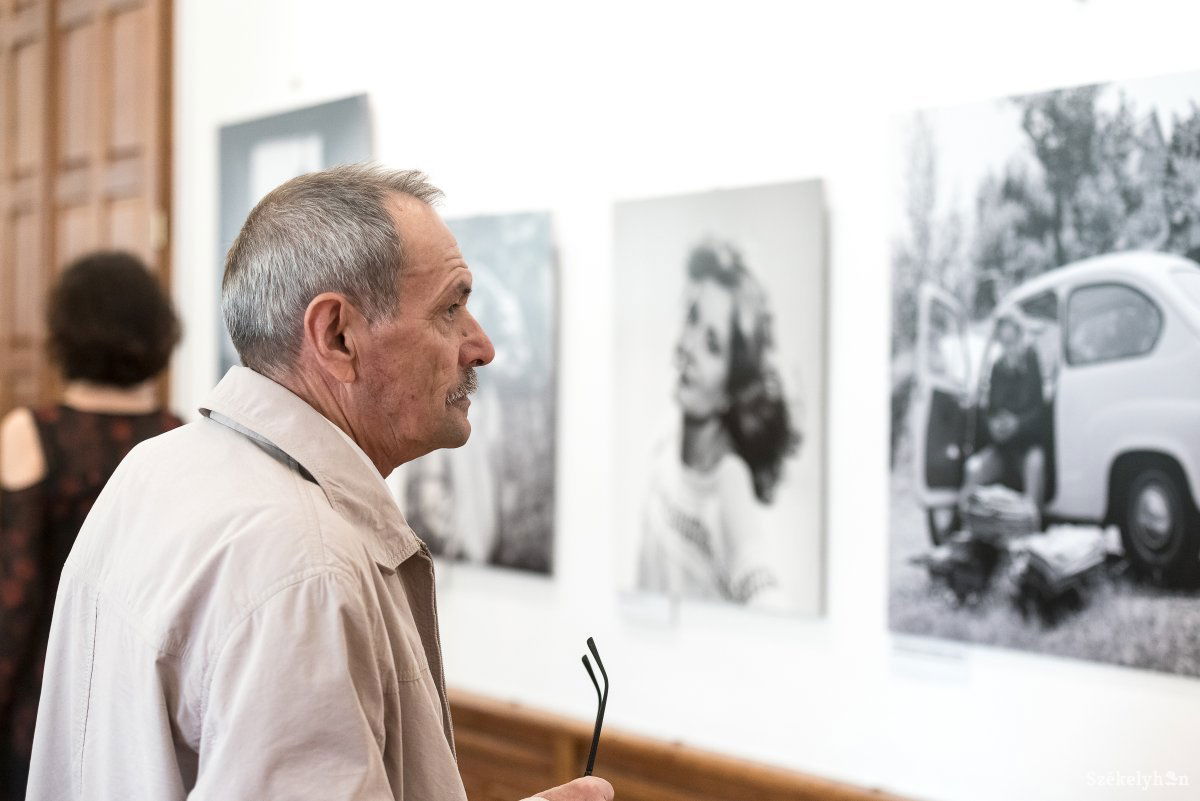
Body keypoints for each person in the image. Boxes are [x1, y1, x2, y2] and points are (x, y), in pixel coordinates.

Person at [25, 165, 613, 801]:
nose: (482, 346)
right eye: (451, 308)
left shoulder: (156, 467)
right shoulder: (303, 561)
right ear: (338, 336)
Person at [0, 251, 182, 801]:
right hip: (144, 704)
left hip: (43, 701)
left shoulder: (31, 431)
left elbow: (16, 596)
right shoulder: (179, 437)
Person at [637, 241, 800, 605]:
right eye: (693, 318)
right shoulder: (665, 433)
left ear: (732, 388)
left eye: (712, 345)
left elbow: (759, 579)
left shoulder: (729, 479)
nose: (688, 346)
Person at [960, 315, 1048, 528]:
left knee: (1036, 465)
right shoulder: (997, 368)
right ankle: (967, 534)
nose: (1009, 348)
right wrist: (994, 425)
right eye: (1004, 342)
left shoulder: (1032, 360)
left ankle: (1030, 532)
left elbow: (1040, 413)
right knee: (973, 469)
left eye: (1012, 341)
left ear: (1020, 337)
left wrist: (1018, 423)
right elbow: (990, 410)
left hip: (1027, 447)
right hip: (1002, 449)